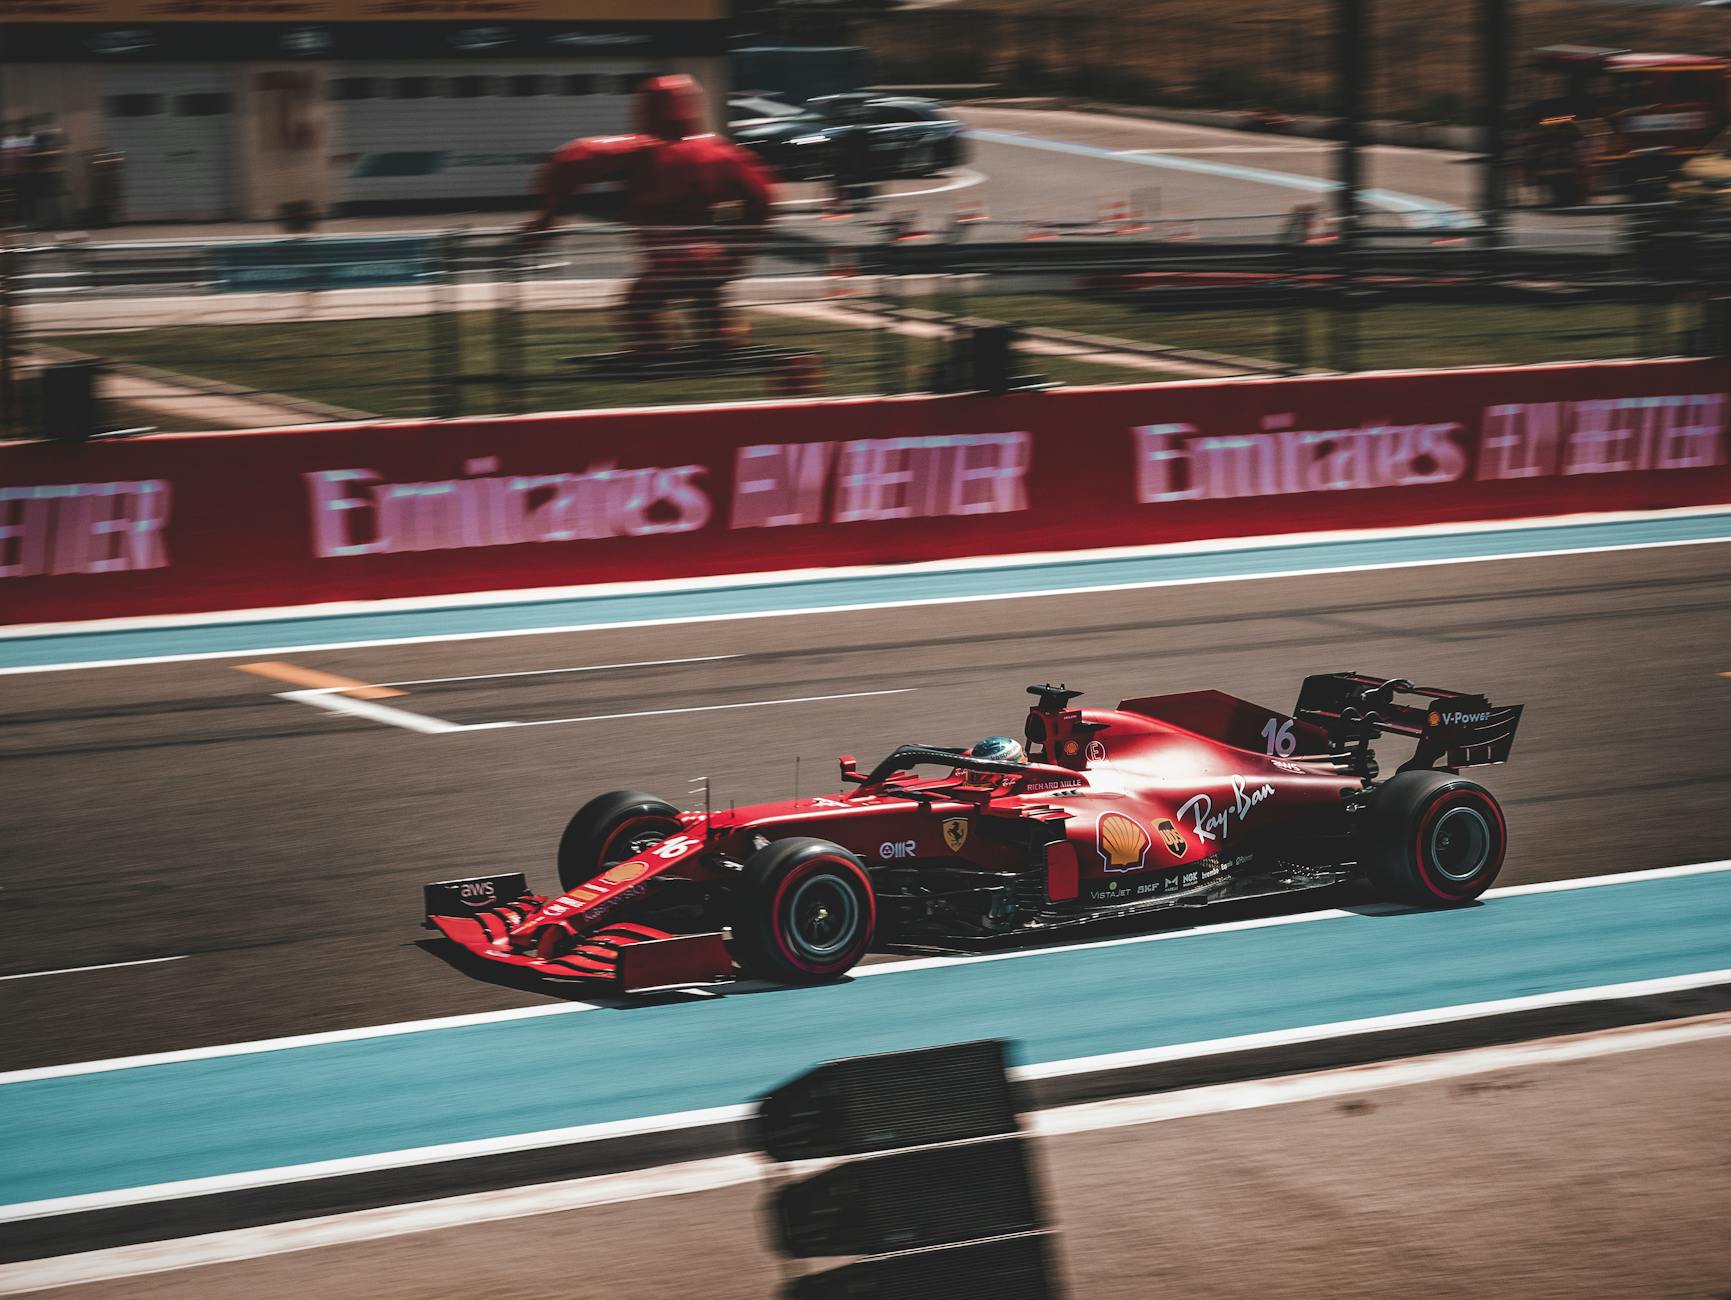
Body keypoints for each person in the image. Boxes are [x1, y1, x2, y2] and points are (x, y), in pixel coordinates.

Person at [528, 74, 775, 354]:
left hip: (670, 261)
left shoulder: (641, 151)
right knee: (708, 301)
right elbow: (763, 197)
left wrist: (547, 217)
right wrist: (740, 247)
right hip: (715, 257)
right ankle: (720, 341)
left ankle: (658, 353)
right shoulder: (722, 153)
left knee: (638, 308)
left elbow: (570, 159)